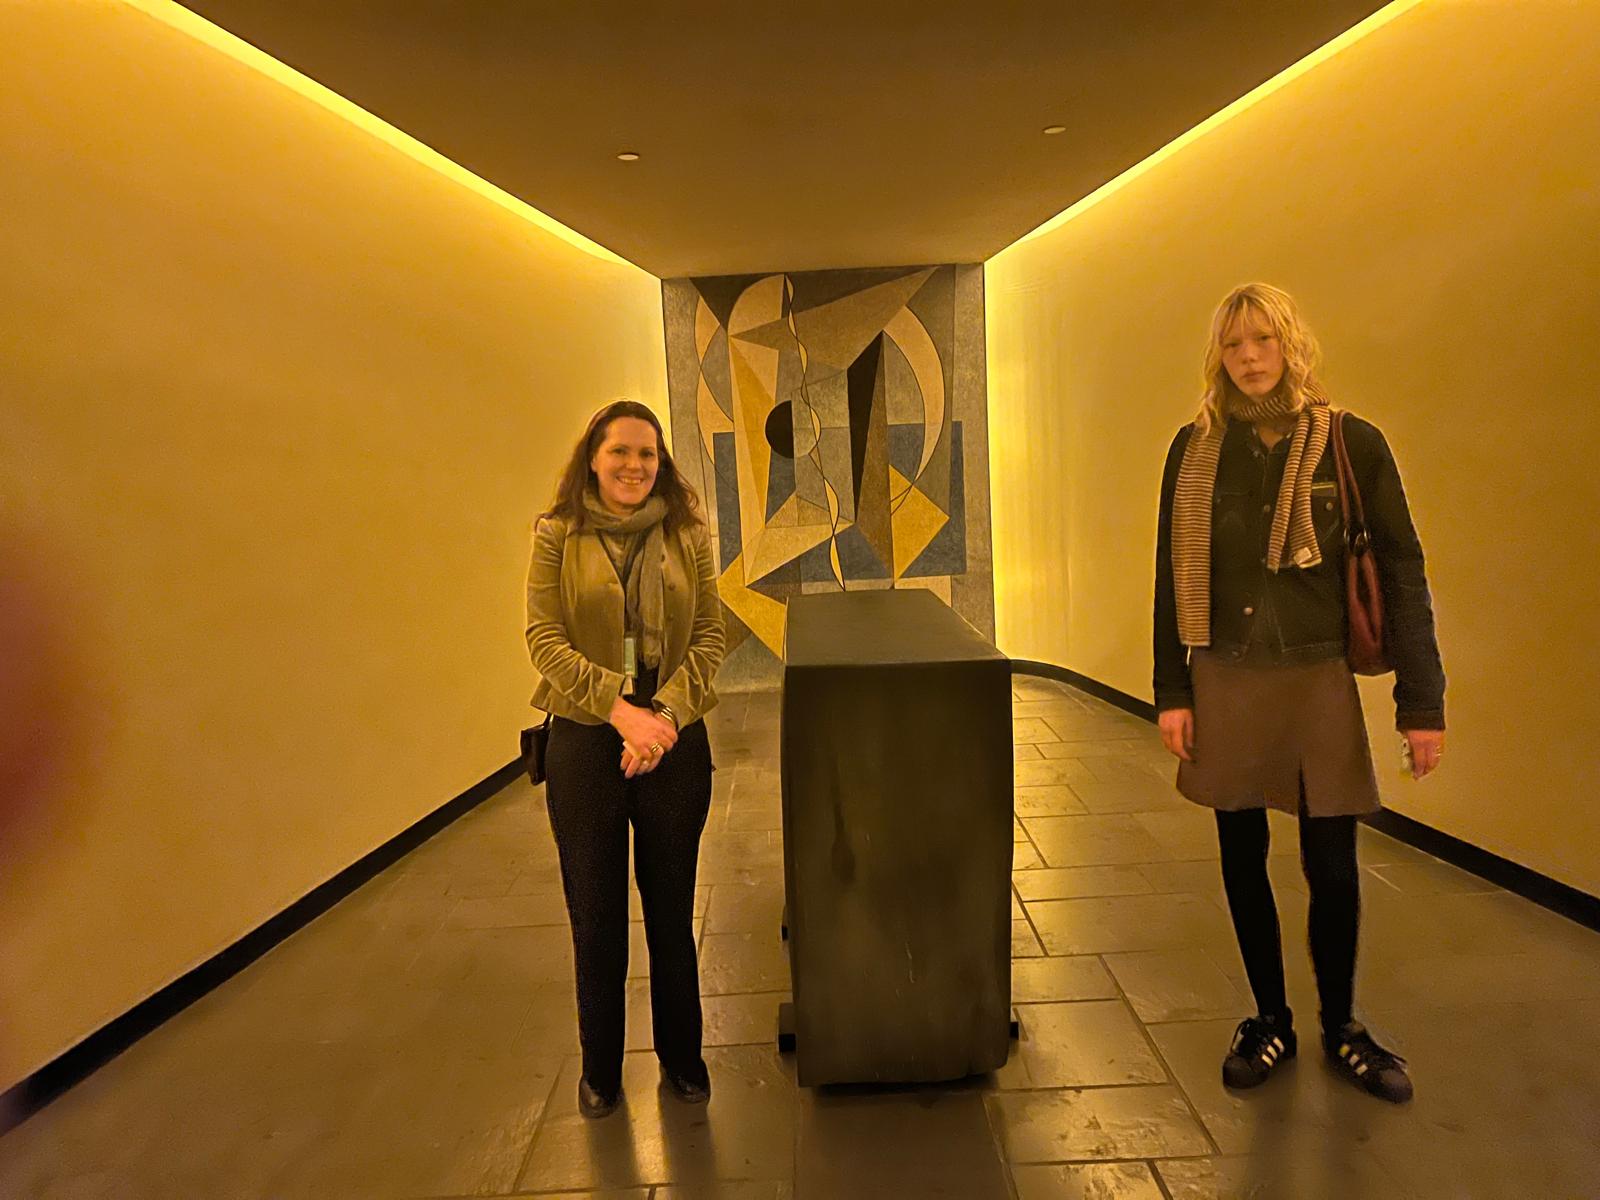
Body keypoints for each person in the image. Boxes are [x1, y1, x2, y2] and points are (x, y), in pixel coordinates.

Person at [1153, 283, 1445, 1104]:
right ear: (1218, 355)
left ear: (1291, 347)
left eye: (1264, 342)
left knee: (1333, 864)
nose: (1248, 358)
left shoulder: (1350, 443)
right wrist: (1171, 690)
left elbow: (1403, 572)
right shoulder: (1196, 449)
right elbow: (1170, 580)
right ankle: (1270, 1019)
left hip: (1317, 674)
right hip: (1225, 671)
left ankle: (1343, 1024)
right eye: (1234, 344)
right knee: (1241, 855)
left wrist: (1422, 705)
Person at [525, 399, 725, 1118]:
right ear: (593, 458)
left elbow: (709, 636)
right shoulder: (556, 535)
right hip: (584, 739)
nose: (635, 466)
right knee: (596, 917)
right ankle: (600, 1072)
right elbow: (544, 639)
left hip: (673, 738)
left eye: (647, 454)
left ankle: (683, 1061)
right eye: (620, 452)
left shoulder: (689, 535)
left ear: (661, 462)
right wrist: (620, 711)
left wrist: (664, 718)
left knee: (672, 914)